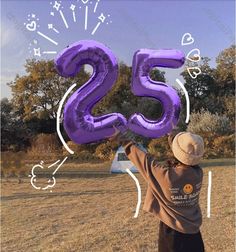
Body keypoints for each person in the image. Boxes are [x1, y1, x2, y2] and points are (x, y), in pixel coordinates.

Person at [110, 128, 205, 252]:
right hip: (194, 234)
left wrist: (120, 137)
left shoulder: (165, 176)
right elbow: (186, 157)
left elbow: (142, 160)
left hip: (172, 233)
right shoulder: (198, 173)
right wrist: (172, 136)